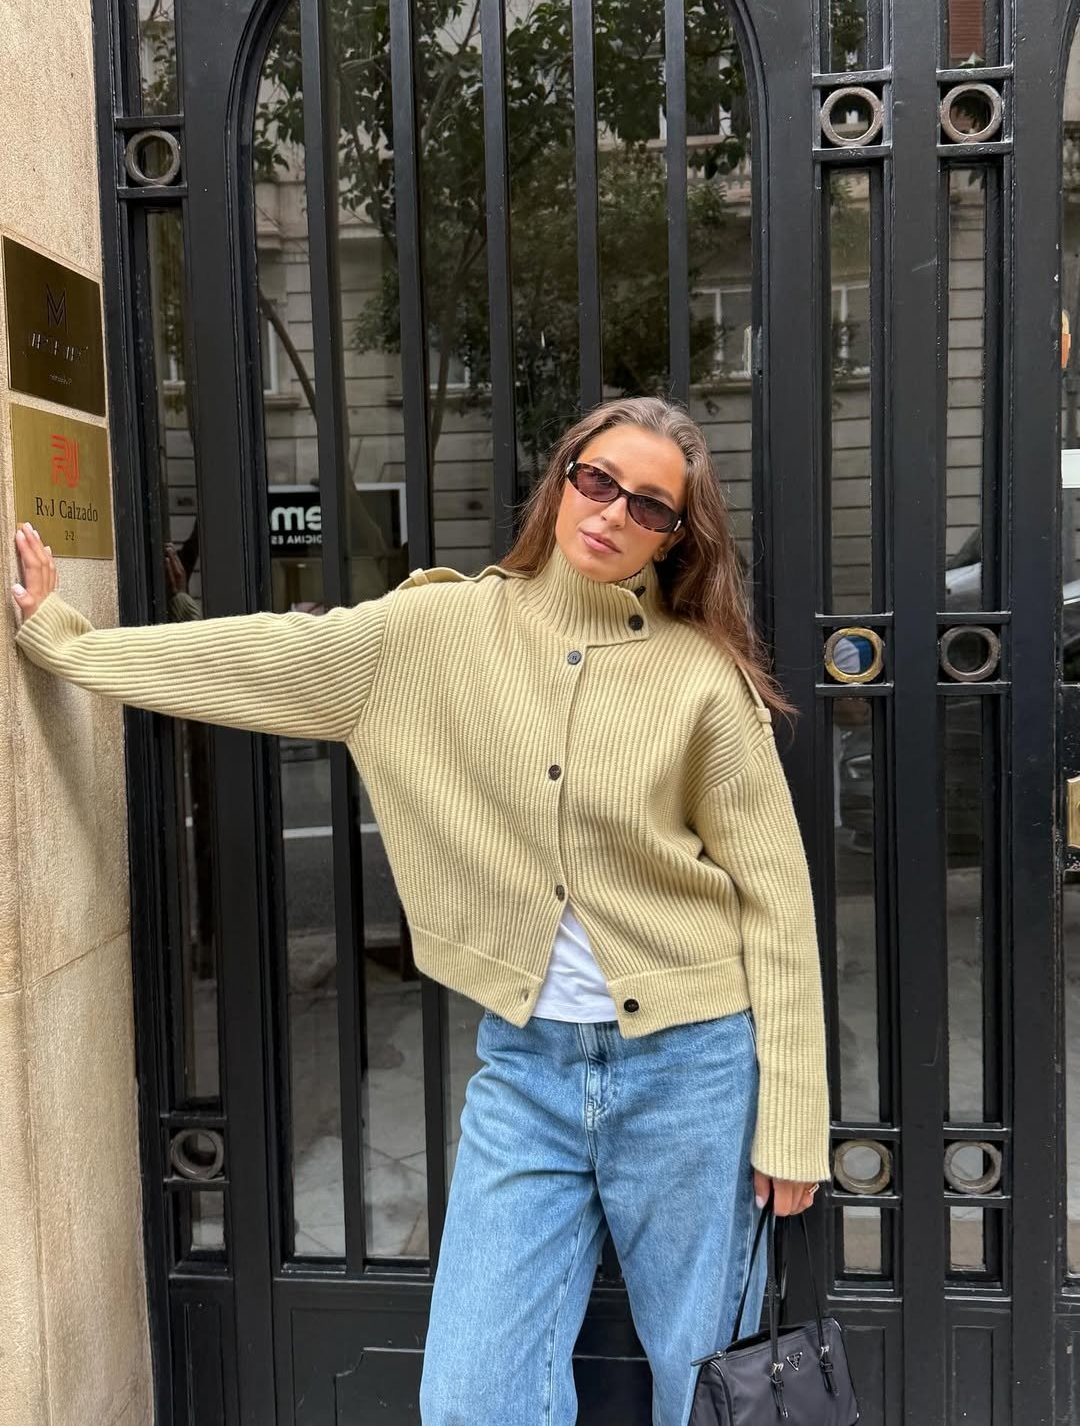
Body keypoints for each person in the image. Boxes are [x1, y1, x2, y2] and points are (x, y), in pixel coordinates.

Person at [11, 395, 829, 1426]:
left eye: (650, 506)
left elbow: (776, 903)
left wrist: (793, 1117)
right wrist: (69, 644)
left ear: (672, 537)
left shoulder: (700, 680)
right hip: (529, 1070)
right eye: (598, 479)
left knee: (704, 1382)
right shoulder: (436, 631)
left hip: (693, 1070)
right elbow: (266, 656)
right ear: (563, 478)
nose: (614, 512)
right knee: (474, 1393)